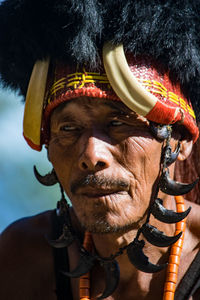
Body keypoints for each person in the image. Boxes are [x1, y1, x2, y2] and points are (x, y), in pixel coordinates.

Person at [0, 1, 200, 299]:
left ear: (180, 141)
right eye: (68, 129)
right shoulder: (21, 260)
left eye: (119, 122)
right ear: (48, 149)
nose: (92, 155)